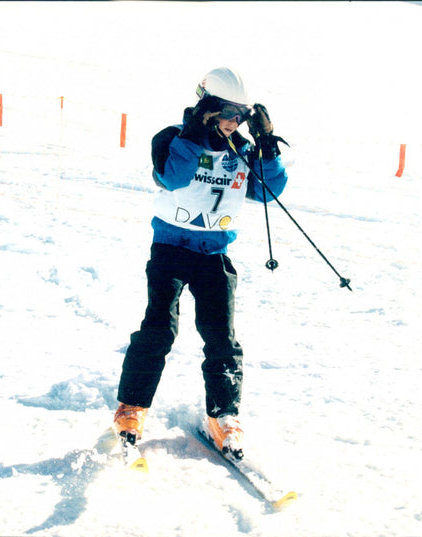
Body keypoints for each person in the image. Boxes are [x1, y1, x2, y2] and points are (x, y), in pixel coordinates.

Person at [113, 67, 289, 459]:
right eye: (227, 112)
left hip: (214, 255)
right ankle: (132, 408)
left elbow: (268, 191)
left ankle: (223, 416)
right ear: (206, 107)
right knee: (158, 329)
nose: (234, 121)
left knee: (222, 338)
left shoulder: (241, 149)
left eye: (242, 115)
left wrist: (267, 146)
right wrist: (195, 130)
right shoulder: (173, 139)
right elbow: (172, 178)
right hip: (171, 251)